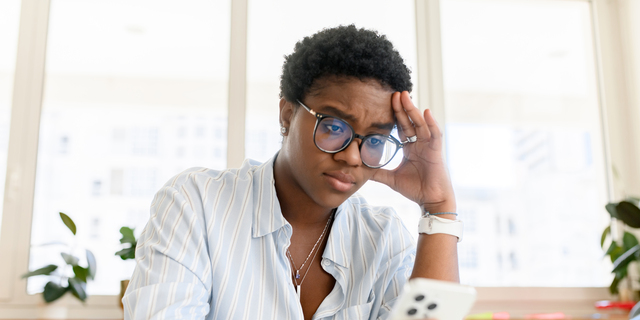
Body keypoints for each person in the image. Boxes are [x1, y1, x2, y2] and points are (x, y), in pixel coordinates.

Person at [122, 25, 459, 320]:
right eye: (334, 126)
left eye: (374, 139)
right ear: (286, 115)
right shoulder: (195, 205)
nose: (352, 157)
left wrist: (439, 208)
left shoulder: (384, 239)